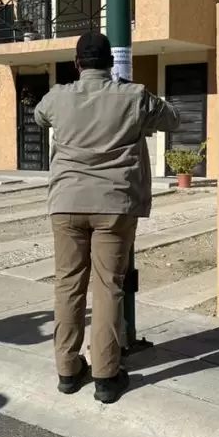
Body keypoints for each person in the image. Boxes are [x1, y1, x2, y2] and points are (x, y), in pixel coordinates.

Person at [34, 32, 179, 404]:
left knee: (68, 286)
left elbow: (39, 116)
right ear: (111, 64)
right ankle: (105, 375)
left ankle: (67, 370)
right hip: (114, 205)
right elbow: (173, 120)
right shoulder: (133, 96)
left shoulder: (58, 96)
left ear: (77, 63)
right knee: (108, 288)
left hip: (66, 203)